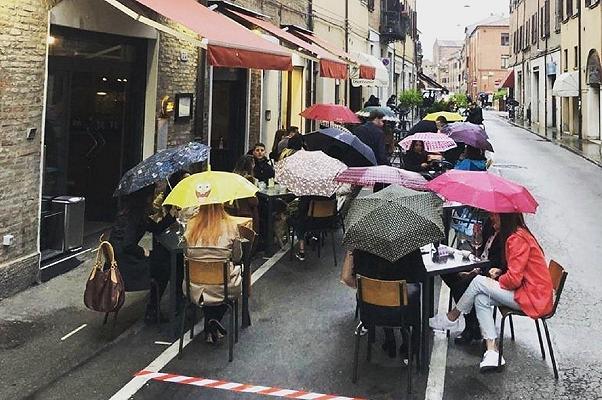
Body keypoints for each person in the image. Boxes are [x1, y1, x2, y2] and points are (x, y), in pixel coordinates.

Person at [429, 213, 554, 371]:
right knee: (481, 297)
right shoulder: (518, 234)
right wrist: (499, 274)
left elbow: (514, 279)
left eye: (495, 217)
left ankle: (452, 316)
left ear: (505, 218)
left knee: (478, 282)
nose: (492, 219)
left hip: (533, 298)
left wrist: (498, 277)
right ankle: (492, 351)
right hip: (528, 292)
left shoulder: (516, 239)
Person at [342, 249, 425, 361]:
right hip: (402, 314)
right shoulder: (409, 248)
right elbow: (421, 276)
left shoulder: (360, 248)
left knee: (378, 295)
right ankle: (409, 347)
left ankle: (390, 340)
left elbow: (346, 278)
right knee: (412, 292)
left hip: (370, 312)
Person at [109, 185, 176, 323]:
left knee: (161, 259)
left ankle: (153, 307)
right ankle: (153, 310)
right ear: (146, 197)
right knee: (164, 269)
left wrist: (171, 215)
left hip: (120, 260)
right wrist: (143, 251)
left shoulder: (132, 212)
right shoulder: (134, 215)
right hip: (126, 266)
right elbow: (128, 244)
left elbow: (155, 228)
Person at [441, 216, 506, 344]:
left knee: (461, 286)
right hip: (479, 265)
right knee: (448, 273)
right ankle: (473, 325)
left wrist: (475, 271)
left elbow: (500, 265)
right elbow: (480, 249)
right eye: (491, 215)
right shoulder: (489, 224)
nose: (492, 218)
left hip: (492, 274)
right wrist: (477, 237)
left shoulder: (509, 237)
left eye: (495, 216)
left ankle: (470, 326)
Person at [184, 204, 243, 343]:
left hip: (195, 287)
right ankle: (214, 320)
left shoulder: (191, 226)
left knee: (206, 289)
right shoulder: (231, 226)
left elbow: (186, 253)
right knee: (226, 281)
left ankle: (210, 324)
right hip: (223, 287)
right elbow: (237, 256)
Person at [231, 155, 259, 231]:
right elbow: (253, 202)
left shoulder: (234, 177)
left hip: (235, 211)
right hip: (247, 213)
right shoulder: (248, 179)